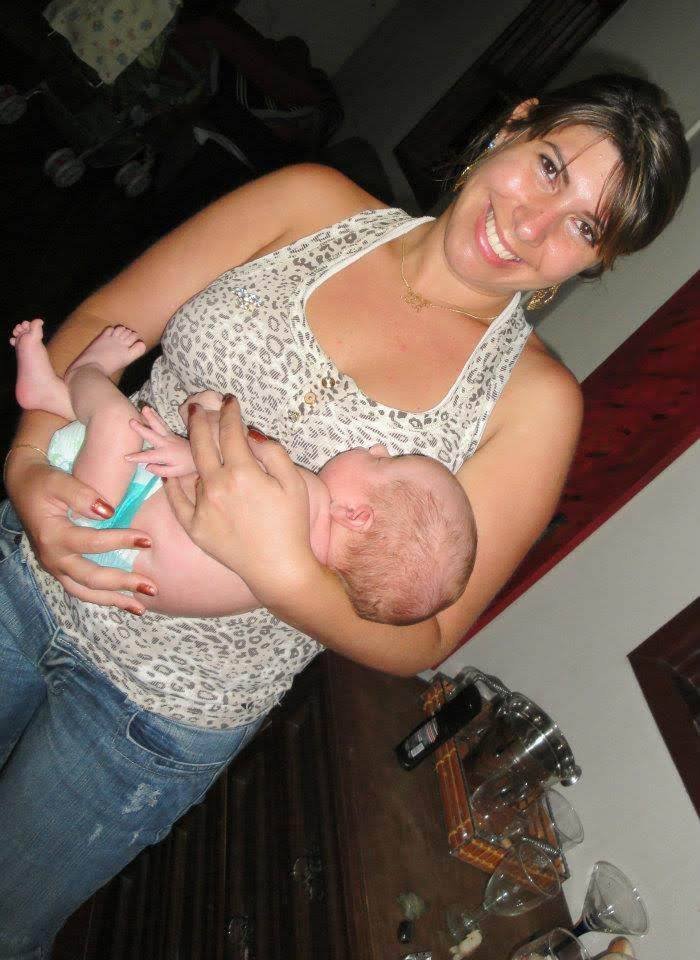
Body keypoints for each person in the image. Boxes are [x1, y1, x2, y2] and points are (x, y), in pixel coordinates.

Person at [0, 73, 689, 955]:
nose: (532, 225)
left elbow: (427, 635)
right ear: (514, 128)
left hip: (150, 720)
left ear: (593, 262)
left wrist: (285, 573)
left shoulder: (537, 405)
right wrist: (27, 464)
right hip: (27, 576)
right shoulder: (308, 203)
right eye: (549, 166)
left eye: (585, 227)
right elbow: (109, 317)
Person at [10, 319, 476, 625]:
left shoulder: (305, 498)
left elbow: (217, 452)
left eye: (385, 461)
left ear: (355, 515)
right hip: (110, 562)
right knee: (122, 434)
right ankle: (57, 398)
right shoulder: (284, 580)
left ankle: (82, 372)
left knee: (118, 422)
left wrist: (205, 417)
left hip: (106, 514)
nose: (377, 446)